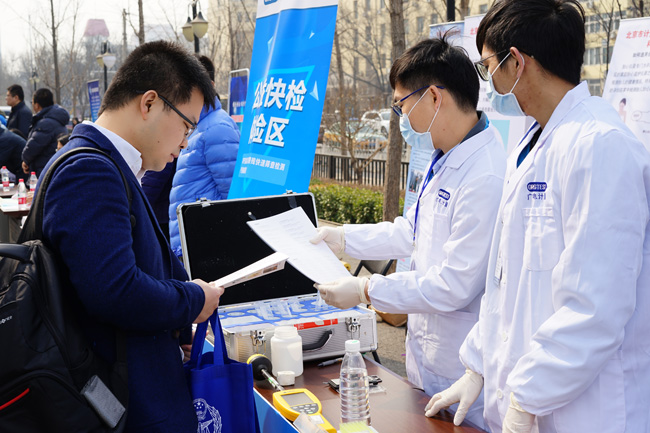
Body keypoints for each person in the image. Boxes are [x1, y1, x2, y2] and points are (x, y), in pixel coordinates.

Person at [425, 1, 650, 432]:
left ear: (516, 62)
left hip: (588, 412)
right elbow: (505, 280)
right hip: (532, 396)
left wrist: (527, 397)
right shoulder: (532, 144)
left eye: (488, 67)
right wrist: (478, 366)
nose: (489, 82)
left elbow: (595, 308)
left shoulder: (600, 146)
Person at [312, 35, 506, 429]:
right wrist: (343, 238)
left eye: (402, 105)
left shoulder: (484, 174)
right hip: (429, 359)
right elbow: (411, 232)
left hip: (461, 367)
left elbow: (454, 285)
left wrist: (366, 290)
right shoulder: (447, 156)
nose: (401, 118)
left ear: (434, 97)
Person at [38, 40, 224, 432]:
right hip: (121, 402)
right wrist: (192, 301)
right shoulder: (90, 171)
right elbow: (115, 291)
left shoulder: (109, 165)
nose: (185, 141)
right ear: (150, 103)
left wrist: (178, 323)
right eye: (186, 125)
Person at [168, 54, 240, 257]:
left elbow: (232, 195)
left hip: (206, 242)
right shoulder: (197, 125)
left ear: (208, 86)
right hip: (192, 238)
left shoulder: (217, 127)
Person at [22, 88, 69, 176]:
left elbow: (34, 145)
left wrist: (25, 160)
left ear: (37, 105)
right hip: (52, 165)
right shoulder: (56, 118)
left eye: (32, 102)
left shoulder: (46, 123)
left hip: (45, 168)